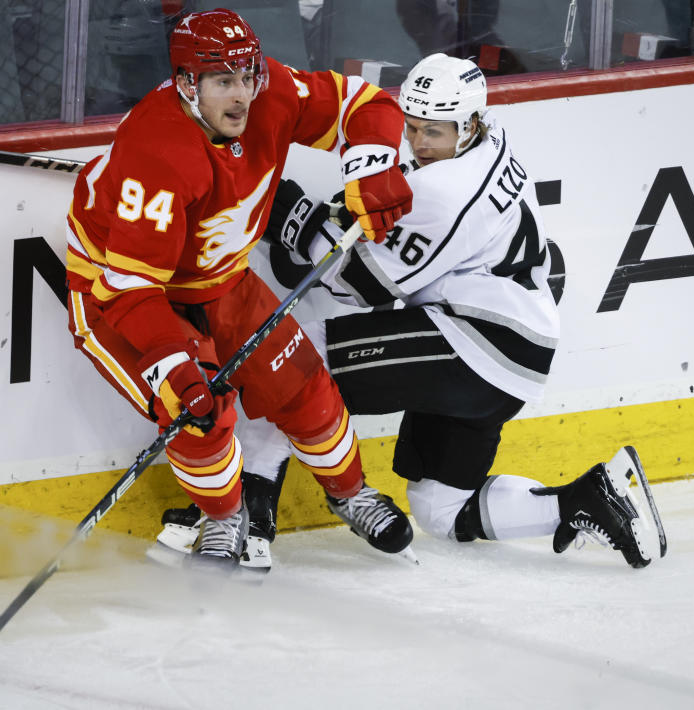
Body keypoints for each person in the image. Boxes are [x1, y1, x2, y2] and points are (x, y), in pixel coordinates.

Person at [157, 53, 666, 570]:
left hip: (477, 342)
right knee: (441, 509)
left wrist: (278, 208)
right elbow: (399, 214)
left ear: (467, 126)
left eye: (434, 133)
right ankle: (589, 498)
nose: (419, 144)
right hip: (519, 357)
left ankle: (248, 505)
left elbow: (361, 283)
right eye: (413, 127)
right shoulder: (489, 145)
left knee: (291, 354)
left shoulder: (444, 191)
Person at [65, 9, 416, 569]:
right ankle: (224, 515)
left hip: (223, 280)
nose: (242, 96)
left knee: (304, 387)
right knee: (199, 413)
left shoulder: (270, 92)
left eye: (247, 76)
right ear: (186, 84)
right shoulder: (157, 151)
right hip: (121, 297)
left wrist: (373, 165)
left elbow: (364, 104)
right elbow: (130, 288)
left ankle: (350, 492)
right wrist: (174, 367)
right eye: (223, 81)